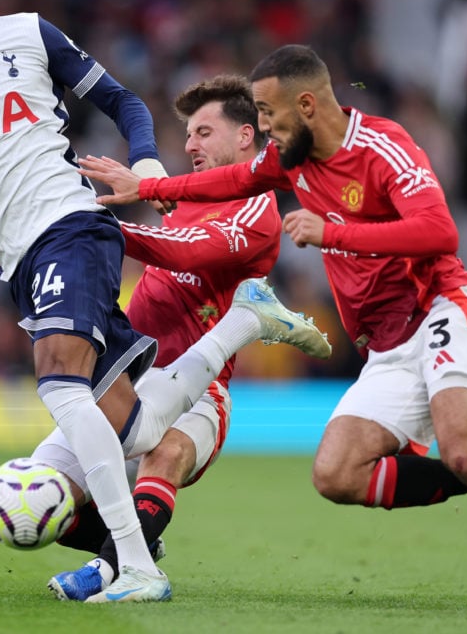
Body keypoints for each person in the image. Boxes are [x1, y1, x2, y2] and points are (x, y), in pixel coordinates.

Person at [78, 44, 467, 618]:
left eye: (270, 115)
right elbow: (225, 183)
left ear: (306, 104)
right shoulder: (291, 159)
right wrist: (144, 190)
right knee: (336, 473)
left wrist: (335, 233)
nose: (265, 129)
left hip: (439, 309)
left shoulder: (380, 146)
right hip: (387, 347)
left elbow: (439, 231)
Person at [0, 0, 323, 603]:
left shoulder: (28, 36)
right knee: (137, 429)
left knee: (61, 386)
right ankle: (246, 321)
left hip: (71, 224)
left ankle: (135, 567)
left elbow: (123, 101)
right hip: (21, 259)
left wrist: (146, 164)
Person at [38, 75, 329, 601]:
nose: (189, 145)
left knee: (165, 451)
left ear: (246, 136)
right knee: (34, 507)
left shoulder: (257, 205)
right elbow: (164, 217)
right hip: (125, 375)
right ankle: (137, 541)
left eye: (202, 131)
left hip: (197, 388)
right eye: (188, 134)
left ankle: (111, 574)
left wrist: (106, 228)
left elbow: (192, 251)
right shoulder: (182, 192)